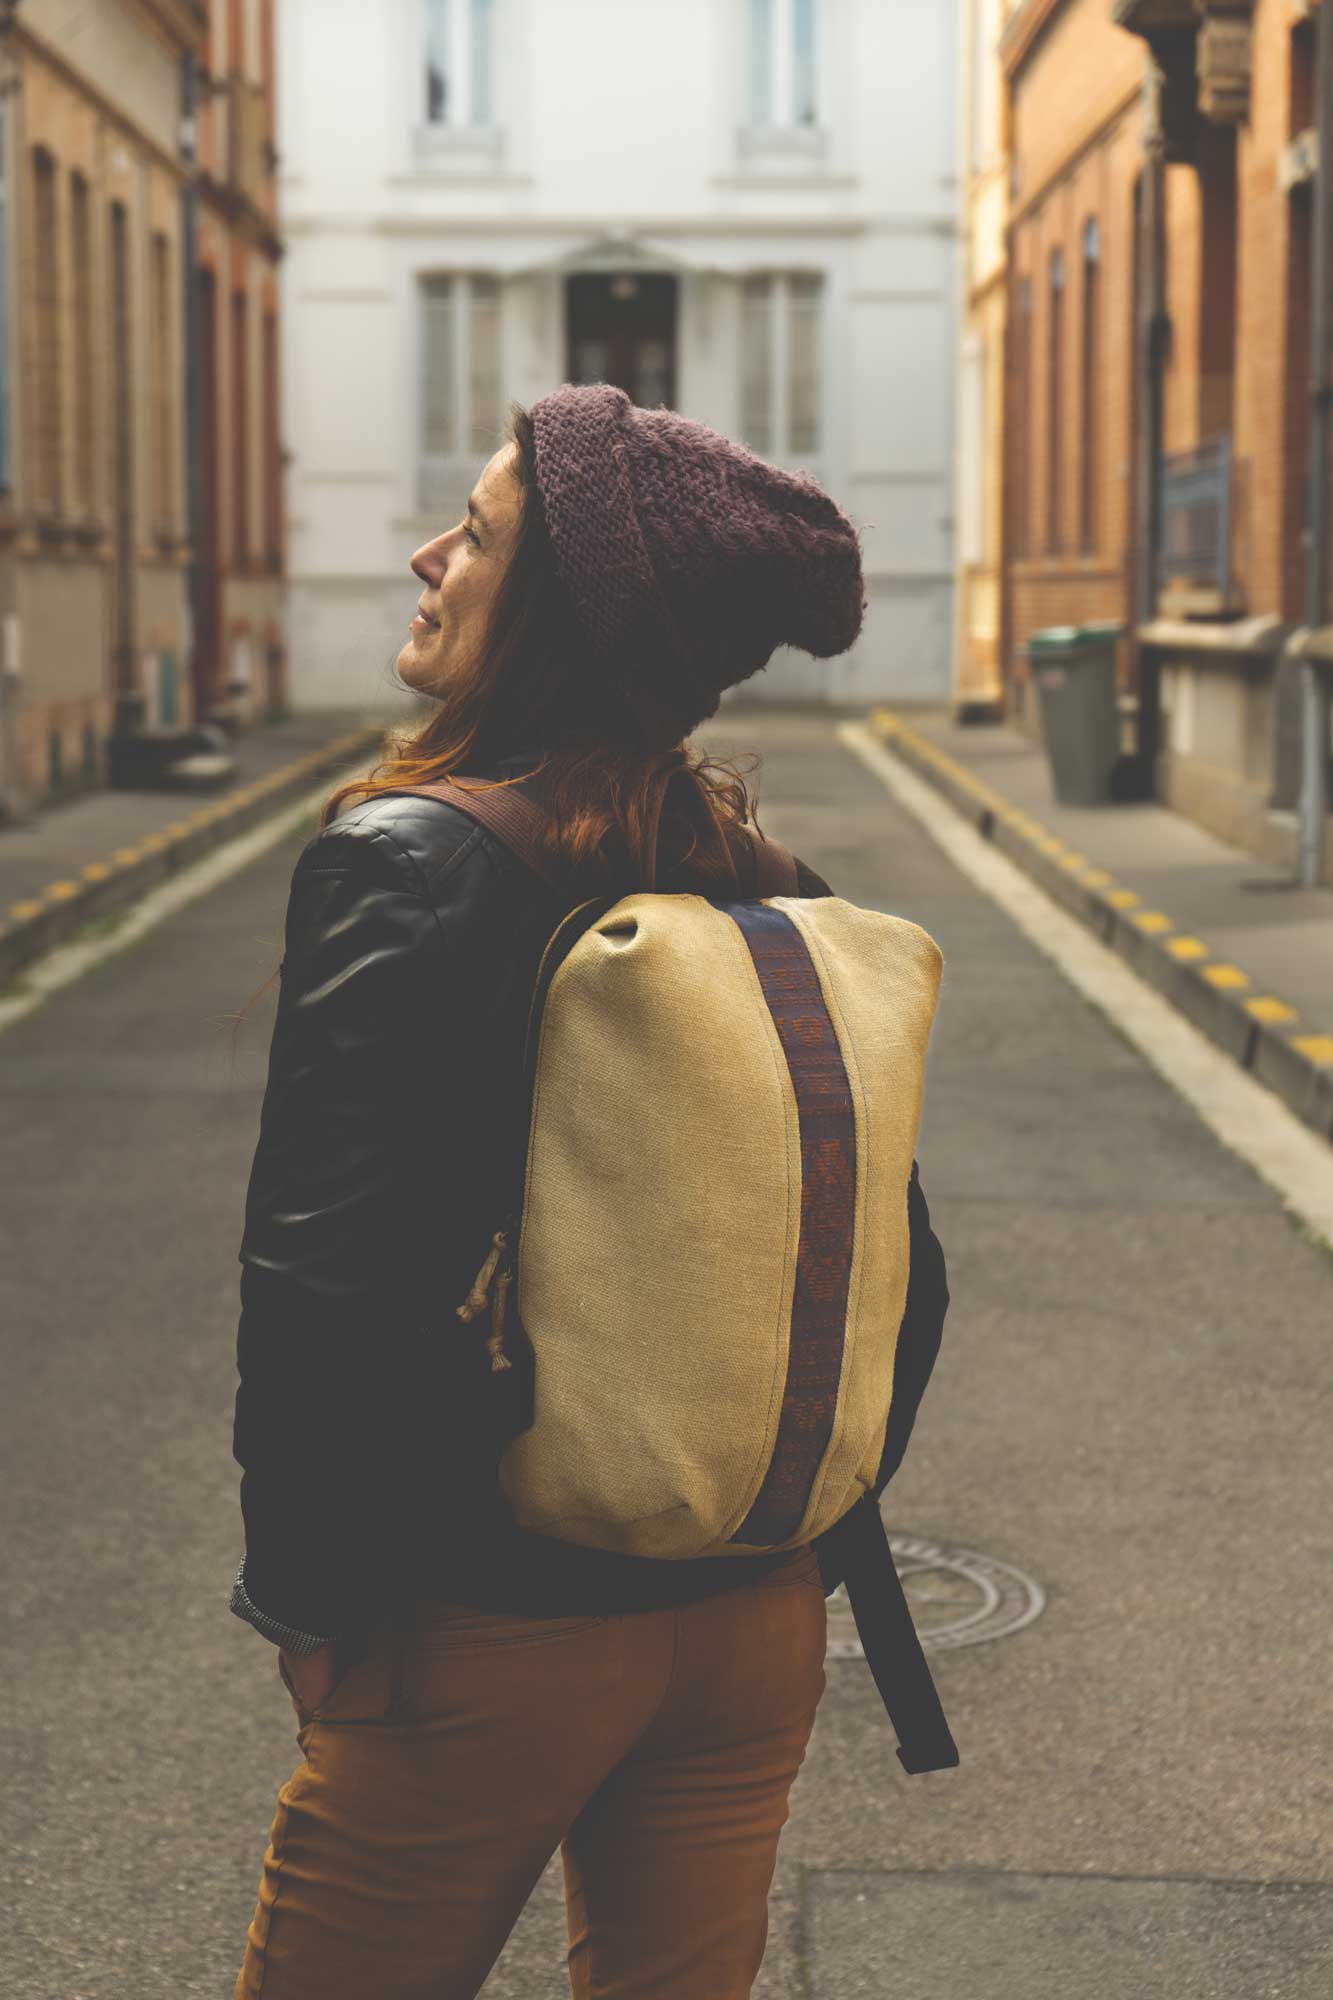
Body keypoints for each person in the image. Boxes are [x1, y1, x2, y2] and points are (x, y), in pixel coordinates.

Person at [229, 384, 949, 1999]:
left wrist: (314, 1603)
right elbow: (902, 1270)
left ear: (554, 609)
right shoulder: (768, 888)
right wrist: (766, 1520)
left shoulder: (408, 858)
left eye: (475, 536)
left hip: (490, 1627)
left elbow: (327, 1279)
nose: (428, 556)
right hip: (752, 1623)